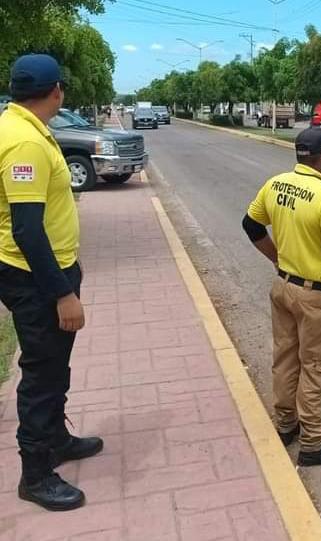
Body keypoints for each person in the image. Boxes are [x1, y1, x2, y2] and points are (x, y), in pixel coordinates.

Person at [0, 54, 103, 511]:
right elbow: (26, 229)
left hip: (47, 268)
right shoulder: (24, 141)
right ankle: (36, 474)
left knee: (55, 364)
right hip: (36, 277)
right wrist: (63, 293)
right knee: (41, 374)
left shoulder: (21, 126)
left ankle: (56, 439)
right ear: (57, 90)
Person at [242, 127, 321, 466]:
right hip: (319, 298)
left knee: (285, 359)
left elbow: (251, 225)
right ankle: (313, 443)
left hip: (283, 288)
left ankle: (286, 425)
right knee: (317, 368)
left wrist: (278, 258)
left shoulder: (276, 183)